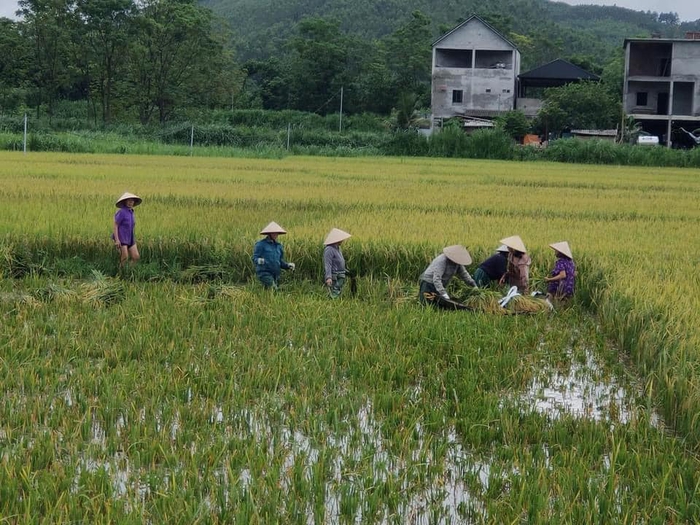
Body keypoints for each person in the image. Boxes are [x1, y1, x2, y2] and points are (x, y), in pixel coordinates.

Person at [252, 221, 295, 289]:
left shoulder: (279, 246)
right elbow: (254, 258)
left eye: (277, 233)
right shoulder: (261, 244)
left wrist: (288, 265)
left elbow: (280, 261)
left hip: (275, 274)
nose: (276, 235)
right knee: (274, 289)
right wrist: (258, 260)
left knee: (269, 292)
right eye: (274, 233)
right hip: (264, 273)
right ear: (269, 234)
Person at [113, 192, 142, 268]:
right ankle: (120, 274)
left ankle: (127, 271)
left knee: (136, 257)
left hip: (130, 237)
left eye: (132, 201)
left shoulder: (131, 212)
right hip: (122, 237)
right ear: (125, 201)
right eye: (129, 201)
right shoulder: (122, 212)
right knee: (125, 257)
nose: (130, 203)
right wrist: (117, 240)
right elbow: (116, 225)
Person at [323, 228, 351, 298]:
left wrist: (346, 271)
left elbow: (340, 263)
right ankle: (331, 305)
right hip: (334, 275)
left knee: (338, 292)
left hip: (340, 275)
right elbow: (328, 264)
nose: (342, 241)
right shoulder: (329, 249)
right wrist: (328, 277)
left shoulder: (338, 249)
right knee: (334, 293)